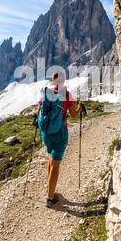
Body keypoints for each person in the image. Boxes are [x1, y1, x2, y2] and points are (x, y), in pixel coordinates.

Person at [36, 71, 85, 208]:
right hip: (60, 132)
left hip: (45, 133)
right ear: (62, 81)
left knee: (50, 158)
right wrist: (80, 107)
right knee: (56, 163)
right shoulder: (66, 94)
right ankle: (50, 198)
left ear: (52, 80)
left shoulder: (44, 92)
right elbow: (74, 114)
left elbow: (38, 111)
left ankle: (50, 189)